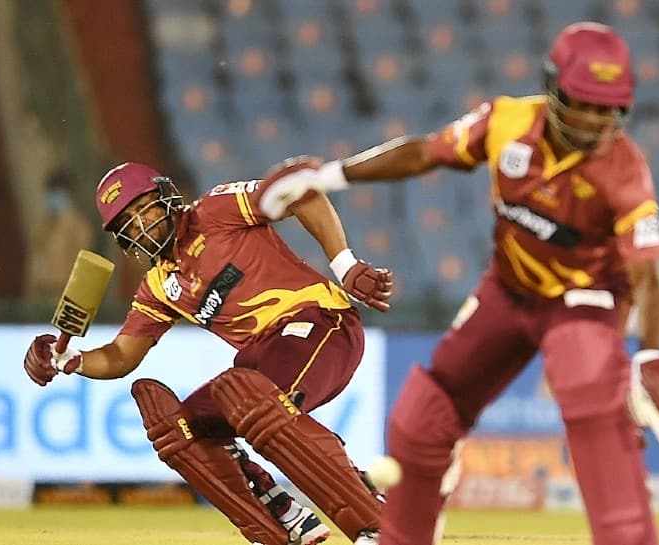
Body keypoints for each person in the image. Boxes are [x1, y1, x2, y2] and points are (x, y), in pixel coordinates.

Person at [261, 22, 659, 545]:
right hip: (508, 293)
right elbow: (424, 153)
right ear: (554, 87)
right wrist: (327, 177)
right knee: (421, 421)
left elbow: (647, 276)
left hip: (585, 302)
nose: (596, 120)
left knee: (588, 392)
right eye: (584, 103)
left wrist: (649, 354)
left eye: (610, 109)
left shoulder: (625, 171)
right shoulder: (507, 121)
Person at [22, 158, 392, 545]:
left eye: (141, 207)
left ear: (166, 195)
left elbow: (298, 189)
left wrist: (345, 264)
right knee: (180, 429)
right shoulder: (160, 284)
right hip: (260, 358)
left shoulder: (214, 210)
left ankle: (375, 522)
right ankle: (282, 515)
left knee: (248, 397)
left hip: (319, 324)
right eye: (126, 223)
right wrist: (70, 360)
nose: (139, 225)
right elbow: (121, 356)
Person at [27, 168, 94, 299]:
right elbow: (33, 262)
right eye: (50, 193)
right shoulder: (42, 225)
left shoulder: (79, 227)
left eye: (58, 194)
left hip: (66, 294)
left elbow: (83, 267)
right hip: (41, 293)